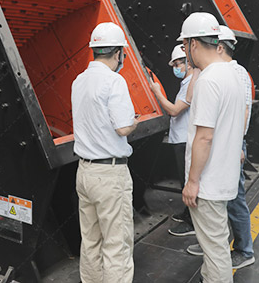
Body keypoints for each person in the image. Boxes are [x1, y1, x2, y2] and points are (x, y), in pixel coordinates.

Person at [179, 13, 246, 283]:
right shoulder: (233, 75)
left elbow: (204, 137)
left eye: (184, 45)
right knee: (216, 244)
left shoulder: (208, 81)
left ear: (193, 44)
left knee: (215, 250)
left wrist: (192, 181)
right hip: (224, 177)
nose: (185, 52)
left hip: (208, 183)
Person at [72, 22, 139, 283]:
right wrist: (134, 122)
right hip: (110, 175)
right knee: (116, 245)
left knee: (90, 241)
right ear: (119, 53)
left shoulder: (79, 81)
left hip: (84, 172)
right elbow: (122, 128)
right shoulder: (114, 81)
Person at [148, 45, 197, 237]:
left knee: (187, 181)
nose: (176, 68)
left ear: (188, 63)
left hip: (185, 140)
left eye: (178, 64)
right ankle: (188, 212)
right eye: (174, 65)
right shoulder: (186, 83)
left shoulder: (192, 83)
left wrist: (157, 92)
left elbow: (174, 110)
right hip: (180, 139)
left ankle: (193, 222)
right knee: (184, 180)